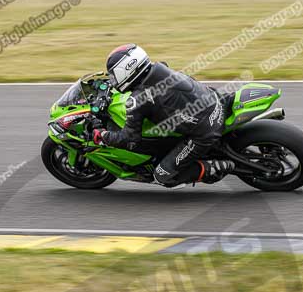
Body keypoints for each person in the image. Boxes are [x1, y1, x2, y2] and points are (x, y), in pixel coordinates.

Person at [92, 44, 235, 187]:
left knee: (162, 176)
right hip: (216, 100)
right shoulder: (159, 67)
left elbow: (130, 139)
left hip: (204, 132)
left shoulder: (138, 100)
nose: (113, 80)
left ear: (127, 71)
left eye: (114, 76)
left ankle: (212, 167)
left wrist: (103, 135)